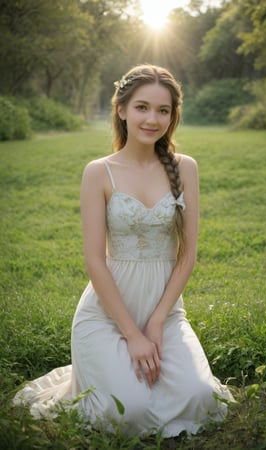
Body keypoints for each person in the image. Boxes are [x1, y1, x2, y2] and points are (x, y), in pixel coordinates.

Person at [14, 64, 233, 437]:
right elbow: (94, 261)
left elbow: (187, 255)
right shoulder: (99, 172)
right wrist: (132, 333)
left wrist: (157, 322)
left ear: (173, 116)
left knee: (200, 398)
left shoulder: (186, 169)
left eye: (163, 110)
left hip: (164, 311)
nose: (152, 119)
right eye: (142, 107)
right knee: (127, 411)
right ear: (121, 109)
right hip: (105, 315)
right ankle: (102, 367)